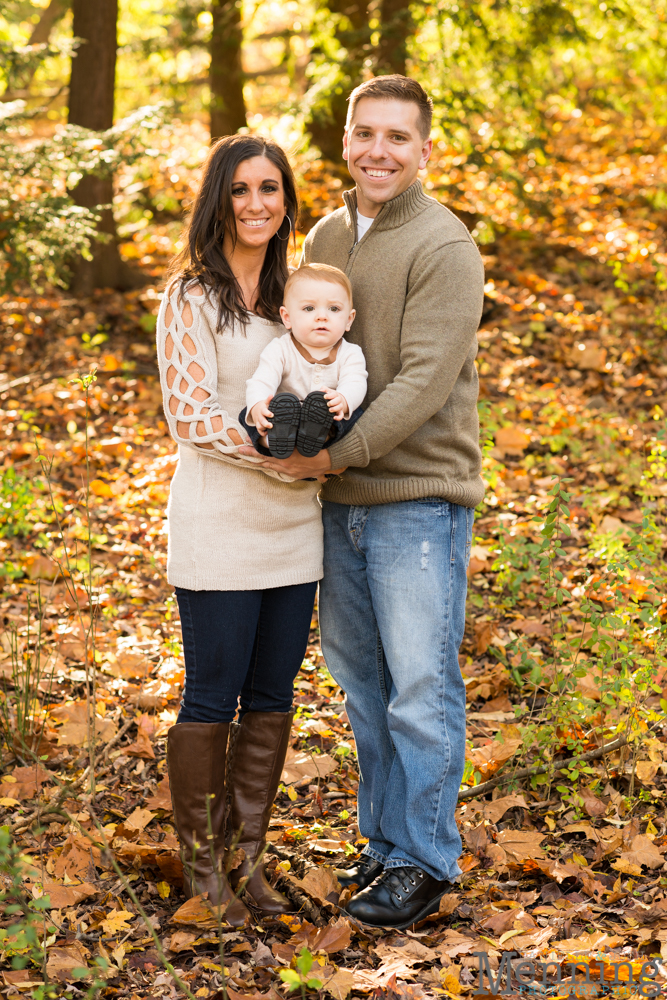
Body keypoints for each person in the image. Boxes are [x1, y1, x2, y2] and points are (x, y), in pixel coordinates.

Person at [240, 75, 485, 930]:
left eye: (397, 138)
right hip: (339, 498)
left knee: (419, 685)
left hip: (414, 499)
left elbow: (422, 381)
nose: (378, 151)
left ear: (424, 151)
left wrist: (332, 454)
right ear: (345, 140)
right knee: (362, 681)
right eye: (364, 134)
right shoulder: (332, 232)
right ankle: (383, 842)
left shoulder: (445, 247)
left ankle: (425, 859)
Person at [156, 134, 324, 926]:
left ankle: (248, 859)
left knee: (271, 695)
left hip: (295, 535)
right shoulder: (191, 296)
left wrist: (325, 454)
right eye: (240, 190)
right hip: (218, 526)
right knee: (212, 696)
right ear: (217, 199)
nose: (257, 203)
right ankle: (201, 872)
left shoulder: (301, 298)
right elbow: (192, 418)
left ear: (287, 199)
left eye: (271, 188)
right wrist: (285, 465)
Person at [240, 263, 367, 458]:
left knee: (352, 415)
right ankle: (271, 440)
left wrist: (342, 399)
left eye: (334, 309)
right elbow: (262, 380)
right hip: (284, 415)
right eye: (309, 308)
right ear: (287, 317)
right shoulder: (280, 348)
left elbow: (356, 382)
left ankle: (318, 436)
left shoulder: (350, 353)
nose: (322, 317)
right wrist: (259, 404)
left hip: (325, 416)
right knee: (249, 414)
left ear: (349, 319)